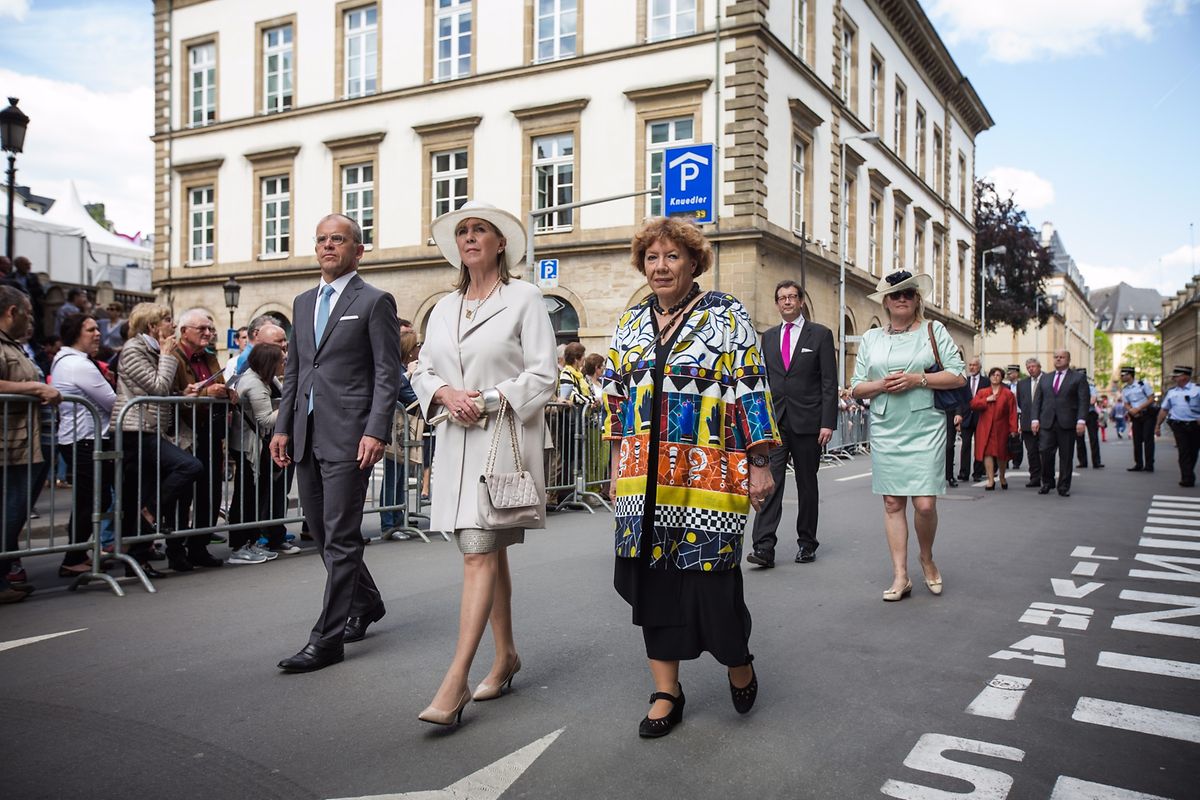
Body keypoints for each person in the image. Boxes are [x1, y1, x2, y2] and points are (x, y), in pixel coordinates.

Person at [602, 216, 777, 739]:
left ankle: (737, 658)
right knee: (652, 583)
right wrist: (615, 467)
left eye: (672, 257)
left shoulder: (725, 314)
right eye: (652, 258)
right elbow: (615, 395)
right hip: (641, 475)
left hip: (708, 469)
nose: (660, 267)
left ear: (694, 262)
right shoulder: (631, 322)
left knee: (711, 580)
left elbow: (750, 381)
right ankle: (666, 691)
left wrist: (760, 462)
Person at [409, 201, 556, 726]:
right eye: (463, 231)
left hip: (502, 441)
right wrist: (445, 392)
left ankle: (455, 683)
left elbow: (544, 376)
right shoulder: (444, 307)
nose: (470, 238)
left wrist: (487, 399)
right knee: (488, 552)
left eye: (481, 231)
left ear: (501, 244)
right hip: (455, 444)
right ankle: (507, 654)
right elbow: (421, 369)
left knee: (477, 552)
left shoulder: (525, 299)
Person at [270, 213, 401, 674]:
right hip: (306, 434)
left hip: (351, 436)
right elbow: (295, 372)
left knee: (341, 538)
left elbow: (388, 372)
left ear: (357, 250)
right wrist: (282, 426)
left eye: (339, 240)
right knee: (323, 533)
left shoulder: (374, 301)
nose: (329, 246)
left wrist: (376, 429)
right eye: (323, 239)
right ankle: (367, 602)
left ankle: (326, 639)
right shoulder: (303, 302)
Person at [850, 269, 965, 602]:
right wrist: (881, 385)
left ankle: (926, 558)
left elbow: (957, 375)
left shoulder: (933, 330)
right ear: (885, 302)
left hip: (924, 425)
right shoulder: (872, 338)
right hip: (887, 426)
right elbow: (856, 387)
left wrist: (918, 379)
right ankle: (900, 575)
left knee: (926, 504)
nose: (902, 299)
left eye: (909, 293)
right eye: (895, 294)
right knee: (892, 502)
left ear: (917, 300)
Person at [110, 303, 204, 578]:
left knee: (143, 490)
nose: (172, 325)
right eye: (166, 320)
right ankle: (151, 512)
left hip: (151, 429)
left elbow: (161, 389)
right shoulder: (134, 349)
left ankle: (138, 558)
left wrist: (181, 392)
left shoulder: (149, 350)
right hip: (134, 429)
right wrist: (167, 355)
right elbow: (158, 387)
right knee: (190, 466)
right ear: (152, 326)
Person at [747, 279, 836, 568]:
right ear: (776, 303)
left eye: (792, 297)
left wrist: (828, 422)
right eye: (782, 297)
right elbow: (766, 380)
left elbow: (828, 382)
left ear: (800, 302)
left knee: (807, 484)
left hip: (809, 422)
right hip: (776, 422)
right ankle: (763, 547)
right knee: (768, 482)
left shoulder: (820, 335)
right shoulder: (769, 337)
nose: (786, 301)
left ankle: (807, 543)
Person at [0, 286, 61, 603]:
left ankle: (6, 573)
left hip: (25, 441)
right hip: (10, 442)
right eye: (29, 313)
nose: (31, 321)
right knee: (10, 511)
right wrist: (35, 387)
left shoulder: (15, 345)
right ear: (12, 312)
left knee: (15, 511)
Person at [167, 309, 235, 570]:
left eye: (210, 329)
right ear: (184, 332)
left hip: (209, 430)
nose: (208, 333)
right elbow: (175, 393)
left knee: (210, 491)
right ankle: (176, 549)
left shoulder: (209, 357)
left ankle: (199, 545)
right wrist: (208, 391)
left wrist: (227, 391)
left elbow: (221, 383)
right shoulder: (173, 356)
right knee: (184, 494)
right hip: (183, 432)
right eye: (202, 329)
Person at [51, 313, 116, 577]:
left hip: (81, 438)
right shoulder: (78, 365)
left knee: (93, 500)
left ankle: (81, 551)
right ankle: (73, 557)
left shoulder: (67, 360)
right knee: (90, 501)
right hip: (86, 439)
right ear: (76, 333)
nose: (97, 333)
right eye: (91, 330)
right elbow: (112, 402)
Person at [228, 343, 291, 563]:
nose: (284, 364)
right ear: (269, 363)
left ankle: (251, 541)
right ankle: (239, 545)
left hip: (257, 445)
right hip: (248, 448)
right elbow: (264, 418)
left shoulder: (267, 379)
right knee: (246, 496)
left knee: (256, 495)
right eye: (281, 360)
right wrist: (290, 406)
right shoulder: (254, 383)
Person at [379, 330, 421, 541]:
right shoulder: (399, 369)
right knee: (392, 477)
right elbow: (402, 392)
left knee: (398, 477)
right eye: (415, 346)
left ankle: (397, 520)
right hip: (393, 431)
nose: (418, 350)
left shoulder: (403, 368)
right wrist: (409, 375)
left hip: (401, 431)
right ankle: (389, 523)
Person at [1034, 350, 1089, 497]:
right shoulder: (1045, 378)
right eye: (1056, 357)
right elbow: (1037, 400)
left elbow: (1083, 400)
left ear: (1068, 360)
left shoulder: (1078, 378)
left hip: (1068, 423)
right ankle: (1047, 482)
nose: (1058, 360)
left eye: (1062, 357)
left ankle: (1063, 486)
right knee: (1045, 452)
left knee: (1066, 456)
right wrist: (1035, 419)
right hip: (1047, 422)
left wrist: (1081, 420)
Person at [970, 367, 1018, 490]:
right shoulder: (983, 392)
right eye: (993, 375)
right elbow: (973, 404)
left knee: (1001, 454)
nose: (995, 377)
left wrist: (1013, 429)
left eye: (998, 375)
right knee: (987, 453)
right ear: (989, 377)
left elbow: (1012, 413)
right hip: (985, 427)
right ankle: (990, 479)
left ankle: (1002, 476)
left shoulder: (1008, 394)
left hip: (1002, 428)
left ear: (1002, 378)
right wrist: (986, 400)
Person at [1155, 366, 1199, 488]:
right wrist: (1157, 425)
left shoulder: (1197, 390)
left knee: (1193, 451)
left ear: (1185, 376)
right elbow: (1164, 410)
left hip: (1195, 425)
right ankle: (1187, 478)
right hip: (1178, 425)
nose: (1174, 378)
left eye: (1177, 376)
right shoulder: (1171, 392)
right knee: (1183, 451)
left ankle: (1188, 473)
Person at [1016, 357, 1046, 487]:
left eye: (1033, 366)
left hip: (1045, 422)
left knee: (1045, 451)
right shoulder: (1022, 384)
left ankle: (1046, 476)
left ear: (1039, 367)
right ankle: (1035, 477)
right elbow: (1021, 403)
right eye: (1028, 367)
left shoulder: (1047, 380)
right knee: (1032, 451)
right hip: (1027, 422)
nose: (1030, 369)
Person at [1120, 366, 1156, 472]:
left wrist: (1139, 408)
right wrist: (1131, 410)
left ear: (1130, 375)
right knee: (1136, 440)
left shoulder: (1143, 384)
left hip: (1147, 414)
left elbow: (1151, 399)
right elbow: (1126, 403)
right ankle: (1138, 463)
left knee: (1148, 439)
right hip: (1135, 416)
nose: (1121, 377)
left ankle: (1149, 464)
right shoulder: (1125, 389)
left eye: (1123, 375)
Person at [957, 356, 986, 483]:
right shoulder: (964, 381)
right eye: (970, 365)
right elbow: (959, 400)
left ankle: (978, 473)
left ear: (979, 366)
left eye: (974, 365)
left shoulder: (986, 382)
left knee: (980, 446)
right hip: (966, 417)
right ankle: (964, 472)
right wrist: (958, 415)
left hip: (981, 417)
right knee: (965, 446)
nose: (972, 367)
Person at [1075, 369, 1103, 469]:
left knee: (1093, 438)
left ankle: (1096, 462)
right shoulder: (1074, 388)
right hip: (1078, 414)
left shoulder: (1090, 387)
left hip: (1090, 413)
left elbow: (1093, 400)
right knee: (1079, 439)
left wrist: (1081, 402)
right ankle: (1082, 462)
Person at [1005, 365, 1023, 469]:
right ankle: (1006, 459)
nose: (1009, 375)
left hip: (1020, 413)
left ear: (1016, 373)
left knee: (1017, 439)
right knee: (1007, 438)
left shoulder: (1022, 385)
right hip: (1009, 414)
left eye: (1011, 373)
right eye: (1008, 373)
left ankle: (1017, 461)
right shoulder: (1006, 386)